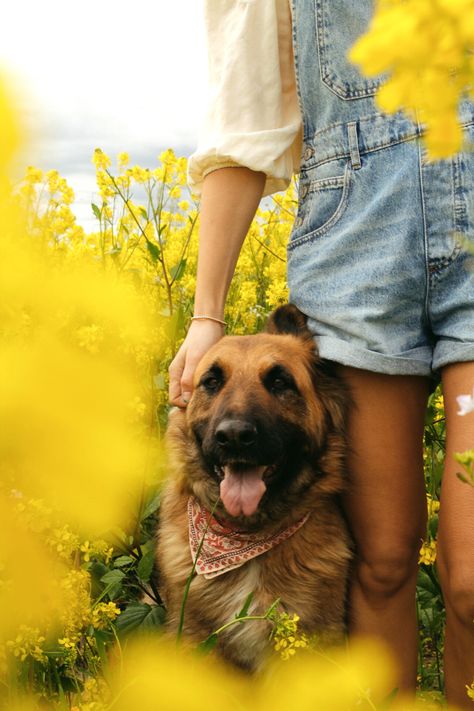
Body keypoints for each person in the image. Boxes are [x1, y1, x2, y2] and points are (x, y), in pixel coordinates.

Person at [168, 1, 474, 706]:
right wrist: (206, 313)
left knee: (468, 579)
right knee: (385, 560)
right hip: (357, 249)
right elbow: (244, 129)